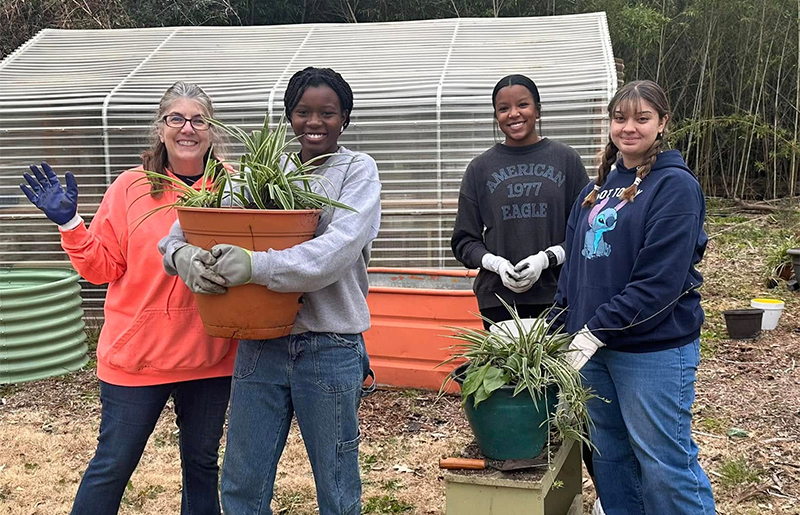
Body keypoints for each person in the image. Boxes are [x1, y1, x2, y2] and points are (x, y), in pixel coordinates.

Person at [159, 67, 381, 515]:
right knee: (242, 482)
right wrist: (180, 256)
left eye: (327, 113)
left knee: (337, 487)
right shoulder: (264, 171)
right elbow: (188, 226)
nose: (314, 122)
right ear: (288, 116)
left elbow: (334, 253)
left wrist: (255, 265)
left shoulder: (358, 171)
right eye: (302, 112)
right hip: (261, 344)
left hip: (330, 343)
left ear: (345, 118)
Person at [19, 81, 237, 515]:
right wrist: (69, 224)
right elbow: (102, 269)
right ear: (161, 129)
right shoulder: (131, 188)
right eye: (176, 118)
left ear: (212, 130)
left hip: (211, 355)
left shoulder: (234, 188)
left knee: (202, 465)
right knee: (114, 464)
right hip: (137, 358)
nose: (187, 128)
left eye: (198, 119)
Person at [554, 80, 716, 514]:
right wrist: (556, 323)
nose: (629, 128)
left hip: (651, 350)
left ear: (662, 123)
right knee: (610, 458)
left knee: (664, 463)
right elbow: (575, 268)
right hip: (595, 350)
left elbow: (659, 282)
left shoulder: (674, 187)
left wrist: (593, 331)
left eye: (642, 118)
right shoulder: (596, 187)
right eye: (620, 118)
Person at [450, 74, 590, 329]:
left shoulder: (566, 160)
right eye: (504, 109)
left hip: (559, 295)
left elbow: (586, 231)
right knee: (507, 369)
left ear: (538, 109)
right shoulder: (480, 168)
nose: (513, 114)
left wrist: (547, 258)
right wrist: (496, 263)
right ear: (496, 116)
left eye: (522, 105)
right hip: (498, 301)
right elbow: (464, 241)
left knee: (555, 369)